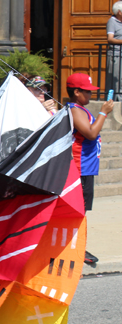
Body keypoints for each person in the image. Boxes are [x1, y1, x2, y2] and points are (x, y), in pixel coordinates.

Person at [66, 73, 114, 264]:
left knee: (80, 212)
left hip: (87, 168)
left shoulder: (81, 109)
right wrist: (103, 113)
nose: (91, 95)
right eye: (87, 92)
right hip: (80, 168)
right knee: (78, 212)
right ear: (76, 92)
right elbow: (91, 134)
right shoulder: (75, 109)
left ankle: (76, 247)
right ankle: (77, 250)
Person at [106, 2, 122, 101]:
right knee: (117, 79)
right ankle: (116, 100)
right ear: (119, 12)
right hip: (116, 54)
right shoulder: (112, 21)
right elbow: (110, 39)